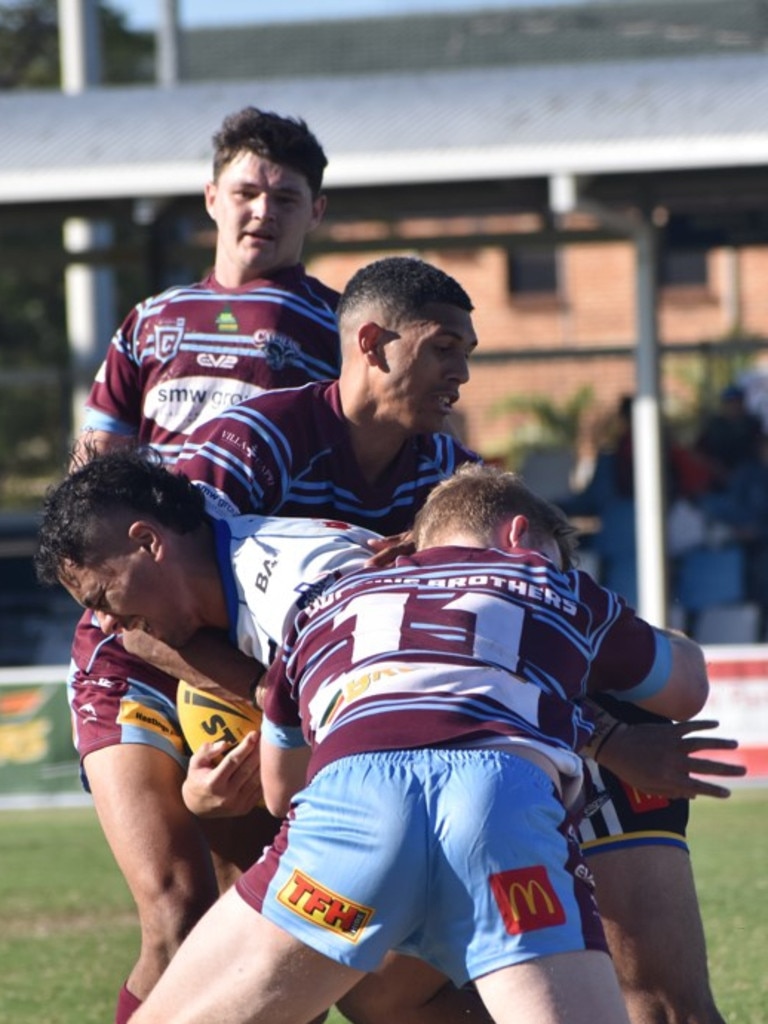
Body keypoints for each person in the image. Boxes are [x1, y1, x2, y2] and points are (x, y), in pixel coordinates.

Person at [34, 459, 741, 1024]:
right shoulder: (549, 585)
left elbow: (283, 790)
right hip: (504, 807)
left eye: (100, 600)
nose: (109, 622)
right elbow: (685, 686)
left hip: (354, 813)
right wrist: (618, 695)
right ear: (525, 540)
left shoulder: (325, 606)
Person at [65, 105, 341, 1023]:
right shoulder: (148, 323)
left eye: (287, 197)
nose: (264, 210)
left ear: (315, 212)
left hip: (241, 634)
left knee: (255, 911)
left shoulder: (337, 327)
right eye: (249, 190)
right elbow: (91, 468)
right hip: (126, 627)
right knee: (174, 909)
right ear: (213, 196)